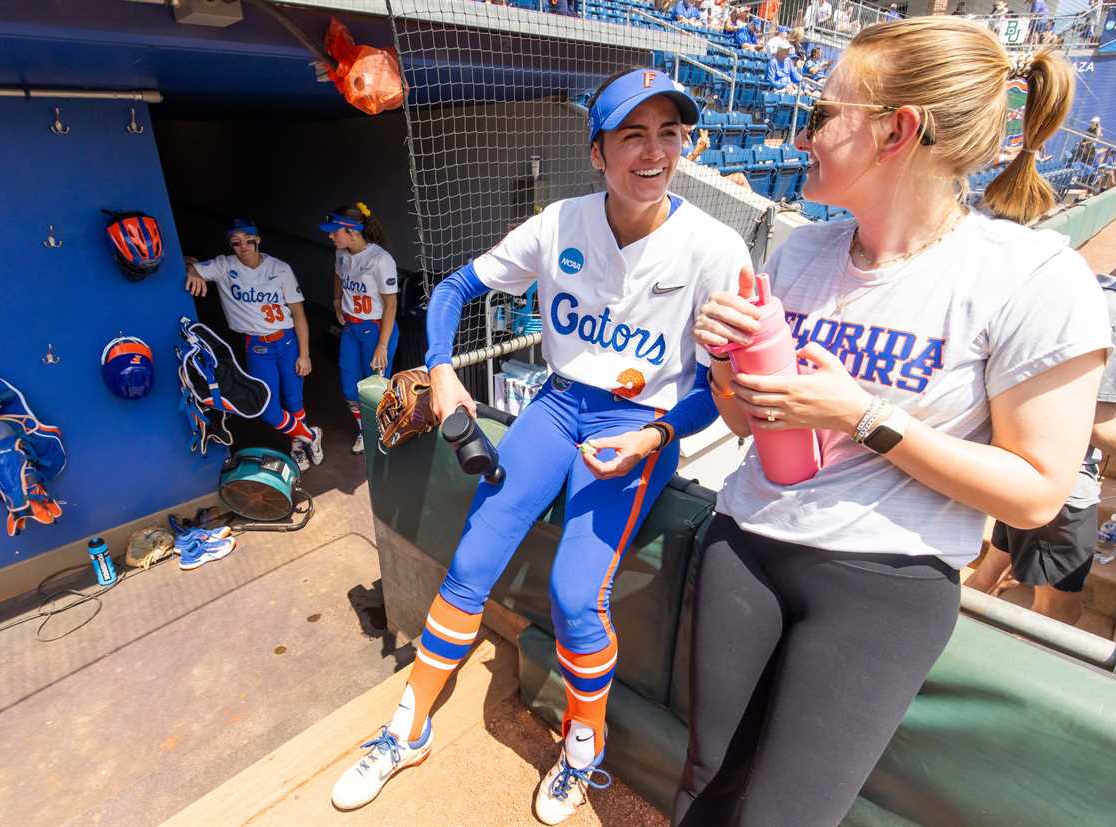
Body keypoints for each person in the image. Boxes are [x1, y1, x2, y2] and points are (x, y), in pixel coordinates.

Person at [673, 18, 1109, 826]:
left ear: (897, 131)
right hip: (749, 539)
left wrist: (866, 414)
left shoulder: (1030, 276)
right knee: (704, 780)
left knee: (784, 816)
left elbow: (1038, 496)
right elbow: (743, 421)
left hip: (885, 581)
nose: (803, 134)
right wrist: (728, 364)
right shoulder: (801, 251)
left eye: (821, 115)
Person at [330, 67, 750, 824]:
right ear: (597, 152)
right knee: (471, 561)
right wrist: (441, 372)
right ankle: (408, 726)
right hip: (558, 407)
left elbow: (716, 393)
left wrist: (654, 436)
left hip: (639, 425)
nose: (653, 152)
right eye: (633, 135)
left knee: (573, 595)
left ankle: (583, 747)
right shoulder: (560, 221)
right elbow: (455, 289)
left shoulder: (715, 248)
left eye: (670, 133)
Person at [965, 274, 1116, 625]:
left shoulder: (1087, 287)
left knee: (990, 573)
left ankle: (942, 647)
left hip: (1023, 459)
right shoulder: (1113, 313)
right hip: (1058, 484)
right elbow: (1097, 425)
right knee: (1059, 613)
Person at [185, 219, 324, 470]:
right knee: (266, 409)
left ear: (258, 239)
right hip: (258, 348)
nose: (243, 247)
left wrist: (305, 354)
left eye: (248, 240)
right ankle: (311, 436)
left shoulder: (280, 268)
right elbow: (189, 265)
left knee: (294, 401)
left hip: (287, 341)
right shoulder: (224, 266)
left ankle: (297, 446)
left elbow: (298, 313)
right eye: (235, 243)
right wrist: (192, 271)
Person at [323, 203, 399, 455]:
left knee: (375, 389)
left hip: (377, 330)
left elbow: (391, 304)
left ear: (352, 231)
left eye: (335, 231)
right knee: (349, 387)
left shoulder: (380, 259)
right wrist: (336, 302)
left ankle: (384, 432)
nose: (330, 236)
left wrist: (382, 345)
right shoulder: (342, 254)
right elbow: (337, 276)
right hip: (352, 329)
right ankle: (366, 429)